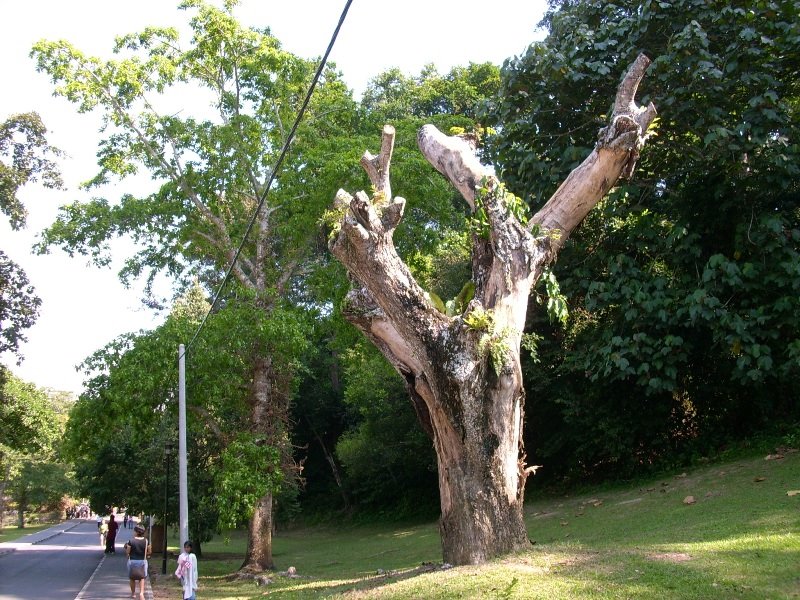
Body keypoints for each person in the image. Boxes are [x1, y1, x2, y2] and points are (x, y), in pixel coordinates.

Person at [125, 524, 150, 600]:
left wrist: (127, 554)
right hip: (142, 561)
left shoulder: (131, 541)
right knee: (142, 578)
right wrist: (146, 554)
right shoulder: (146, 541)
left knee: (132, 578)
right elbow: (149, 551)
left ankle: (133, 594)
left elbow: (128, 552)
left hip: (132, 561)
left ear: (136, 532)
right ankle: (141, 593)